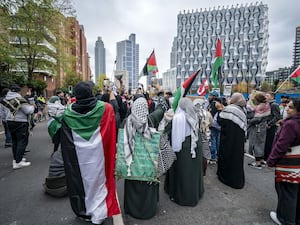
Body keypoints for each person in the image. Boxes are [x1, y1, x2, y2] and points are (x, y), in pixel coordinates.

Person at [60, 81, 120, 224]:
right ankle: (99, 210)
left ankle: (83, 211)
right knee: (100, 182)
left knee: (80, 181)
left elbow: (64, 141)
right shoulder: (106, 109)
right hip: (100, 156)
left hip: (79, 159)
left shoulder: (67, 113)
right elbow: (114, 124)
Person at [122, 96, 166, 219]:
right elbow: (160, 112)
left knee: (133, 183)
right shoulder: (151, 121)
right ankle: (148, 210)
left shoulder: (126, 122)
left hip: (132, 163)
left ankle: (131, 208)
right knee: (147, 185)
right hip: (148, 165)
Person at [164, 97, 204, 206]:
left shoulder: (179, 117)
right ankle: (196, 193)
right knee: (193, 172)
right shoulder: (193, 113)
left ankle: (184, 197)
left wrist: (173, 153)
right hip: (195, 146)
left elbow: (176, 141)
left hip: (184, 149)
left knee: (184, 173)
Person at [267, 98, 300, 225]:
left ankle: (285, 219)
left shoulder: (291, 124)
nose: (287, 109)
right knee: (296, 193)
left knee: (287, 193)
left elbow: (281, 146)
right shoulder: (291, 123)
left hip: (289, 165)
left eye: (291, 107)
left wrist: (271, 161)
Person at [217, 93, 247, 189]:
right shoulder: (242, 110)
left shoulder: (229, 109)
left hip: (228, 139)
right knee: (236, 159)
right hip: (238, 141)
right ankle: (237, 180)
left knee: (227, 157)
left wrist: (220, 110)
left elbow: (220, 120)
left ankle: (225, 178)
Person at [1, 84, 34, 169]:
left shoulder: (4, 100)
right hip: (21, 122)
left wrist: (6, 119)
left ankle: (16, 159)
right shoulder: (20, 100)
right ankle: (18, 162)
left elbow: (2, 113)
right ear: (19, 91)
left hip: (9, 122)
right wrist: (32, 107)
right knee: (22, 141)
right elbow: (28, 111)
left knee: (14, 141)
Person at [247, 92, 271, 169]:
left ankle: (258, 163)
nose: (255, 101)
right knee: (261, 144)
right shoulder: (267, 105)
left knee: (256, 144)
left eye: (256, 100)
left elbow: (257, 118)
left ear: (258, 100)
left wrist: (249, 121)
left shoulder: (260, 107)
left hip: (258, 128)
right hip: (263, 127)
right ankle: (261, 160)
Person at [193, 97, 212, 176]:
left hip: (195, 136)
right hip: (205, 135)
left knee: (196, 153)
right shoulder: (207, 113)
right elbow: (211, 123)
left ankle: (196, 171)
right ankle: (203, 172)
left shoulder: (193, 113)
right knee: (205, 154)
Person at [264, 91, 281, 161]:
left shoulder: (274, 105)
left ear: (272, 97)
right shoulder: (268, 104)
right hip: (266, 126)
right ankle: (265, 157)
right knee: (266, 142)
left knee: (269, 142)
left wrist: (269, 124)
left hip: (270, 126)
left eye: (267, 96)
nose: (265, 97)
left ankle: (268, 157)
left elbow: (277, 116)